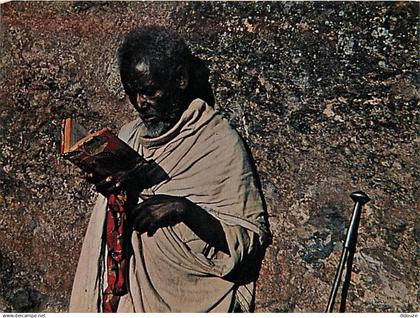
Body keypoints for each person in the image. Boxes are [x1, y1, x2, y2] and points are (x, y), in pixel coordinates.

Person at [69, 26, 271, 313]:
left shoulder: (217, 141)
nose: (140, 103)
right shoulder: (129, 135)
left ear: (180, 79)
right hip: (132, 294)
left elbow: (248, 239)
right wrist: (111, 190)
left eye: (150, 91)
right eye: (132, 92)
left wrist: (183, 209)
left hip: (191, 296)